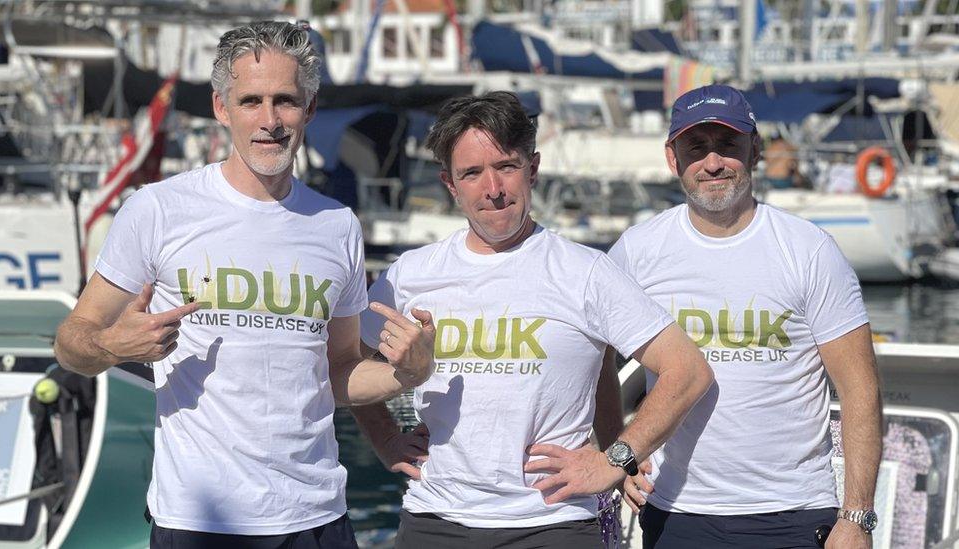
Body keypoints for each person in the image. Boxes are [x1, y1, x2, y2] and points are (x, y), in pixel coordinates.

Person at [53, 21, 436, 549]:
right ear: (220, 107)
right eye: (251, 100)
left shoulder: (337, 225)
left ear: (311, 108)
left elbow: (340, 371)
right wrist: (111, 346)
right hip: (200, 521)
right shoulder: (158, 210)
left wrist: (406, 374)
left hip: (317, 516)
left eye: (286, 101)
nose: (270, 120)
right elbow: (71, 342)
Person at [350, 91, 713, 548]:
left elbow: (688, 369)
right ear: (450, 184)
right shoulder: (411, 275)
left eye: (506, 166)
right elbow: (346, 364)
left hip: (552, 524)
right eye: (472, 173)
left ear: (533, 169)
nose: (493, 188)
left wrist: (615, 457)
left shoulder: (586, 272)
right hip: (435, 520)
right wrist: (385, 439)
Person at [607, 84, 883, 548]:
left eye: (728, 145)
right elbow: (586, 359)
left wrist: (857, 516)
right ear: (673, 159)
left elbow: (860, 389)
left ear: (754, 150)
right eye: (696, 148)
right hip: (677, 510)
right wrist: (614, 452)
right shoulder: (637, 252)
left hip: (792, 511)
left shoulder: (809, 250)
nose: (713, 162)